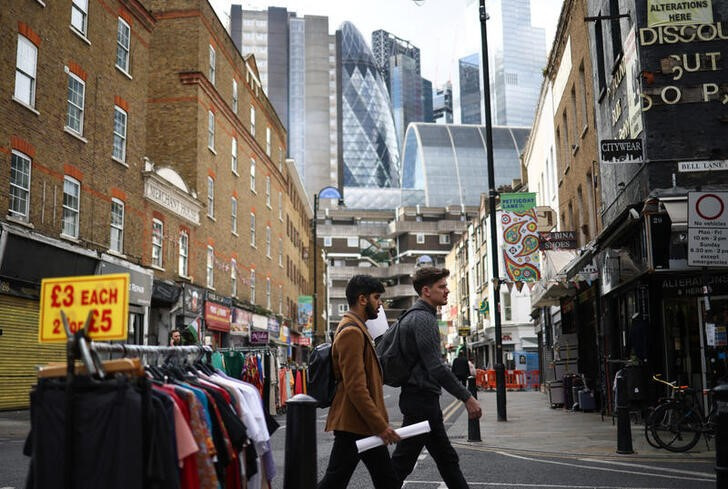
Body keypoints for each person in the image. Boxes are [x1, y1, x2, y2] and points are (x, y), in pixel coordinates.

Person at [391, 266, 482, 488]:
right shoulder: (423, 319)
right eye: (441, 287)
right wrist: (467, 397)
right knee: (403, 463)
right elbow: (436, 367)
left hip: (422, 400)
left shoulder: (417, 316)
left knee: (445, 459)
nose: (447, 291)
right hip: (421, 401)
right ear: (426, 291)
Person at [318, 275, 401, 489]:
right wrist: (380, 425)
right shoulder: (352, 332)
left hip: (359, 422)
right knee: (336, 481)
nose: (380, 304)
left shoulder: (358, 329)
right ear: (362, 299)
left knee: (385, 480)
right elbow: (356, 387)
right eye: (377, 298)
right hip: (355, 423)